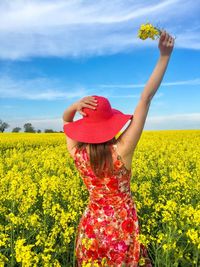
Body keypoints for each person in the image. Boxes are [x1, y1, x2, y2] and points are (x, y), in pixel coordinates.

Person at [62, 30, 174, 266]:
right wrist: (164, 56)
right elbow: (145, 99)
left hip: (92, 224)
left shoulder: (77, 154)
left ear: (85, 126)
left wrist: (74, 105)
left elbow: (66, 122)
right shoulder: (122, 150)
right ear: (110, 122)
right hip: (121, 226)